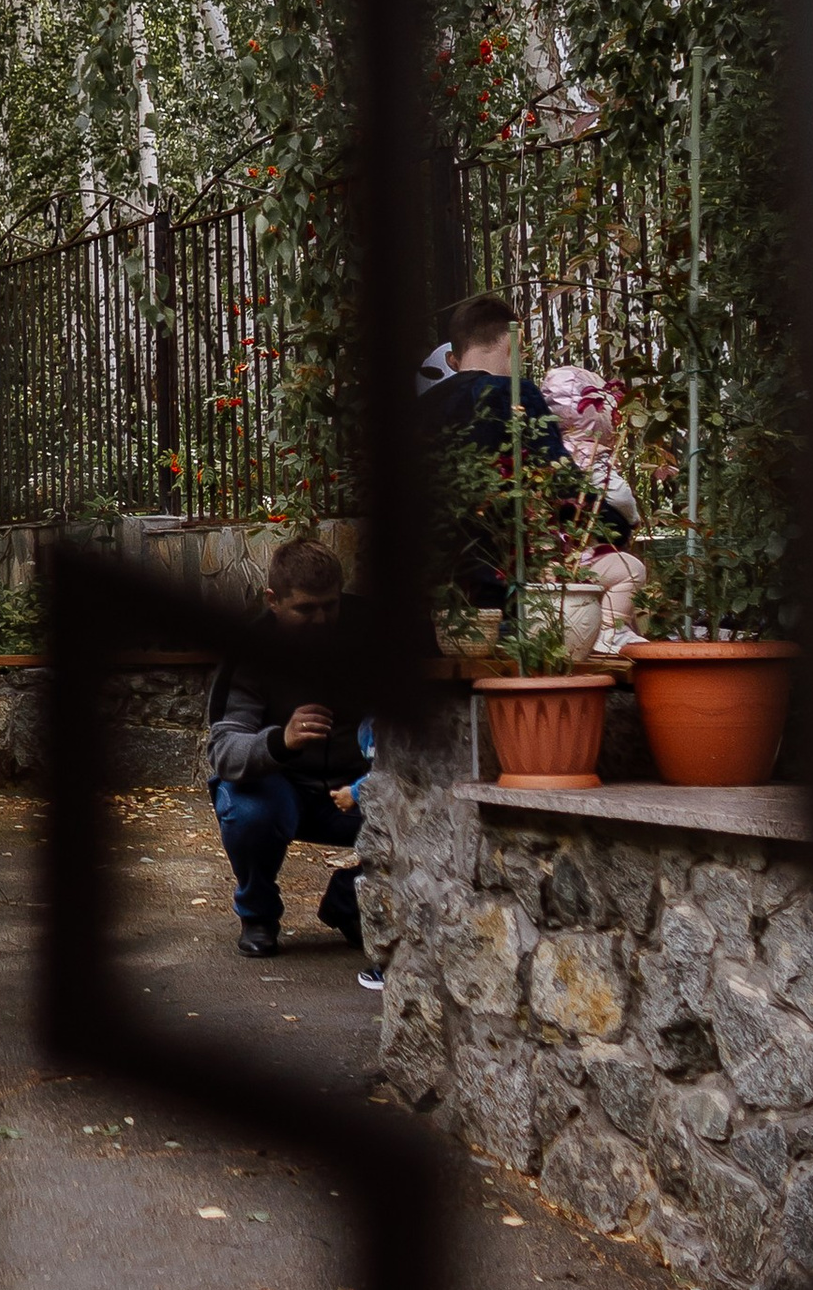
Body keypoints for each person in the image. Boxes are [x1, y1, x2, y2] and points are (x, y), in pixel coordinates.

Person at [206, 534, 375, 968]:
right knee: (247, 809)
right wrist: (281, 741)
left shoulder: (370, 634)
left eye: (330, 606)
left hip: (356, 791)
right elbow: (224, 751)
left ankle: (350, 899)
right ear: (273, 601)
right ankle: (258, 914)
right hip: (284, 792)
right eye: (305, 609)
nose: (320, 620)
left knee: (431, 810)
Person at [415, 289, 571, 609]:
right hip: (498, 563)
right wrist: (612, 519)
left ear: (452, 359)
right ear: (515, 345)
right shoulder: (515, 394)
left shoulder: (422, 407)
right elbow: (561, 480)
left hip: (432, 569)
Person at [541, 363, 650, 648]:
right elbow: (618, 494)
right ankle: (610, 631)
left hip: (552, 561)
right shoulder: (591, 455)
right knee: (631, 571)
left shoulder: (550, 455)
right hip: (585, 559)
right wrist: (633, 517)